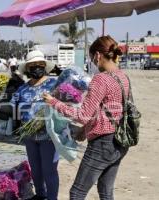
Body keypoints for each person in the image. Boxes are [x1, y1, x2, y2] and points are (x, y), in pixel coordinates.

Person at [43, 35, 129, 200]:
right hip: (120, 141)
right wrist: (85, 129)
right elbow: (108, 110)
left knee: (77, 193)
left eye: (91, 58)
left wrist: (54, 102)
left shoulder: (100, 79)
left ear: (97, 55)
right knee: (106, 191)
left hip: (102, 143)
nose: (93, 62)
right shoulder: (123, 77)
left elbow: (82, 115)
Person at [11, 50, 59, 200]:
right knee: (36, 170)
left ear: (45, 66)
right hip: (29, 136)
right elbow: (13, 107)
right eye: (33, 65)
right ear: (27, 68)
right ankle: (40, 194)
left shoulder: (55, 84)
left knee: (49, 170)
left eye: (40, 64)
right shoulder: (22, 88)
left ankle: (52, 198)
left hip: (49, 136)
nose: (37, 67)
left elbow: (65, 104)